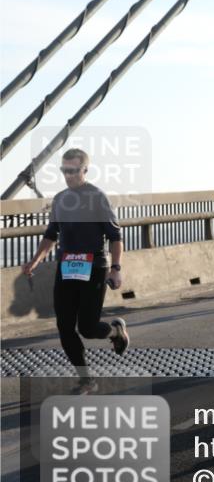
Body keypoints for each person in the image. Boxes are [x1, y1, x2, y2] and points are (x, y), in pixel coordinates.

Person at [21, 149, 129, 395]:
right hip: (67, 267)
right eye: (64, 170)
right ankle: (86, 380)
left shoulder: (97, 197)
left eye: (73, 171)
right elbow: (51, 234)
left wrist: (116, 268)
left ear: (85, 170)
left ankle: (115, 331)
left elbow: (115, 236)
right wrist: (36, 260)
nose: (68, 175)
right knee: (65, 326)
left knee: (88, 328)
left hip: (93, 267)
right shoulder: (60, 199)